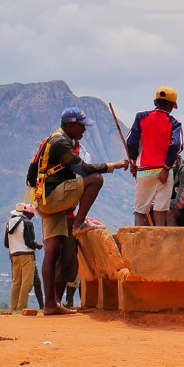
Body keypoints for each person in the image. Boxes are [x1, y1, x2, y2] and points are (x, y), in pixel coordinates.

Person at [27, 108, 129, 316]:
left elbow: (31, 177)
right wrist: (113, 165)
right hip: (54, 198)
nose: (84, 129)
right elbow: (83, 170)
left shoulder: (49, 141)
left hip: (43, 200)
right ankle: (78, 224)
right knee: (96, 180)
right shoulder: (60, 142)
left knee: (52, 251)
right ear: (70, 124)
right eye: (81, 125)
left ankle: (51, 305)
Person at [125, 87, 184, 227]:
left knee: (140, 211)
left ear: (155, 101)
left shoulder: (141, 117)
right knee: (160, 211)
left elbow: (131, 142)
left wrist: (134, 161)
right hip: (165, 173)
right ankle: (159, 245)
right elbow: (177, 145)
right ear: (171, 106)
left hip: (144, 171)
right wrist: (166, 167)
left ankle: (137, 243)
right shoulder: (174, 123)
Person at [4, 203, 41, 310]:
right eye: (32, 215)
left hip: (14, 255)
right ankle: (21, 307)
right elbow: (29, 242)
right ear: (28, 213)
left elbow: (6, 244)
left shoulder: (9, 223)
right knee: (27, 283)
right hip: (27, 255)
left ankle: (14, 307)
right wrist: (37, 246)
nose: (32, 217)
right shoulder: (27, 223)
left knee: (16, 282)